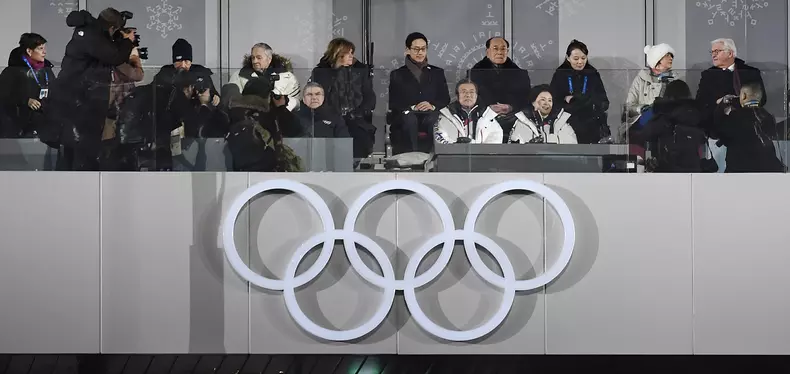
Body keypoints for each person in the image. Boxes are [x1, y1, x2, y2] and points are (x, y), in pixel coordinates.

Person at [44, 8, 136, 170]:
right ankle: (80, 186)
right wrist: (127, 41)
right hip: (81, 103)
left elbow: (107, 53)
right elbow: (114, 57)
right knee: (82, 153)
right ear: (111, 27)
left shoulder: (89, 32)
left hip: (78, 101)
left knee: (75, 152)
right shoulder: (92, 36)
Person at [310, 38, 376, 158]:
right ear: (338, 54)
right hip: (329, 118)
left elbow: (370, 98)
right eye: (348, 53)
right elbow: (317, 98)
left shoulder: (360, 71)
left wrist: (357, 113)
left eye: (352, 53)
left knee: (358, 135)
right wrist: (332, 116)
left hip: (355, 118)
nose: (351, 56)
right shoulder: (321, 72)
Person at [388, 32, 450, 154]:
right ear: (407, 50)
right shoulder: (397, 74)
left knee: (434, 119)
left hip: (429, 115)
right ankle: (413, 157)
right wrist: (412, 107)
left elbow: (445, 98)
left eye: (423, 49)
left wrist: (432, 106)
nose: (420, 52)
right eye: (416, 49)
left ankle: (433, 158)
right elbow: (394, 102)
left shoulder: (437, 72)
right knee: (409, 119)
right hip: (406, 116)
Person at [629, 80, 709, 172]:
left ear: (667, 95)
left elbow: (645, 134)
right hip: (694, 168)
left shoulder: (663, 114)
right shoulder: (696, 115)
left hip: (667, 168)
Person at [225, 77, 302, 172]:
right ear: (266, 96)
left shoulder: (234, 112)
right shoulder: (264, 116)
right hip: (265, 172)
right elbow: (296, 130)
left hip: (239, 172)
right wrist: (281, 108)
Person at [696, 38, 766, 134]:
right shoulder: (708, 75)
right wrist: (718, 102)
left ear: (730, 53)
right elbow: (700, 101)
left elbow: (762, 99)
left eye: (717, 51)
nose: (713, 55)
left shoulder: (750, 72)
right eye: (712, 52)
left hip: (747, 126)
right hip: (718, 127)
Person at [469, 37, 532, 142]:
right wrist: (490, 108)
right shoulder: (474, 72)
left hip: (513, 116)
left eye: (503, 49)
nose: (500, 52)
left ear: (507, 51)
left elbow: (526, 97)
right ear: (487, 51)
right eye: (495, 48)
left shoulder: (520, 73)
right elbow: (473, 97)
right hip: (484, 115)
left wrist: (511, 107)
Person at [712, 82, 784, 173]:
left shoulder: (736, 116)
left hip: (739, 168)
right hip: (766, 168)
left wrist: (722, 106)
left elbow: (718, 131)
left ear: (744, 96)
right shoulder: (767, 116)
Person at [550, 39, 610, 144]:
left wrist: (584, 100)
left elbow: (604, 101)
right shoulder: (560, 74)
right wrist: (567, 100)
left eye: (583, 58)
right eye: (576, 58)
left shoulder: (592, 74)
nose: (580, 62)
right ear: (568, 58)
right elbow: (553, 101)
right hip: (567, 124)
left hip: (590, 123)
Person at [0, 33, 56, 138]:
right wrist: (25, 100)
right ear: (29, 51)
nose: (44, 52)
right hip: (17, 129)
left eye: (44, 48)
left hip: (43, 125)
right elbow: (3, 95)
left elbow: (55, 91)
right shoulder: (12, 71)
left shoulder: (47, 70)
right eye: (40, 48)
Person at [622, 43, 680, 138]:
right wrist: (642, 109)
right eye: (667, 55)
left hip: (667, 128)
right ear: (657, 60)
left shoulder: (676, 80)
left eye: (671, 56)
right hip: (644, 126)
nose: (671, 58)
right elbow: (628, 107)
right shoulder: (641, 79)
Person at [225, 42, 300, 112]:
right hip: (247, 119)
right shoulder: (238, 76)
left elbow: (296, 103)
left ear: (269, 59)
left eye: (259, 58)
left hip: (278, 121)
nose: (254, 61)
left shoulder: (287, 78)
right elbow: (232, 101)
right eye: (253, 58)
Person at [153, 38, 220, 107]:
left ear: (191, 61)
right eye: (179, 61)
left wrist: (215, 98)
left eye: (186, 61)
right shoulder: (165, 73)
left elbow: (213, 93)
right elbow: (152, 92)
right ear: (173, 61)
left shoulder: (201, 73)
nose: (182, 65)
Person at [434, 79, 501, 144]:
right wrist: (457, 147)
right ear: (457, 96)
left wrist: (473, 146)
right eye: (464, 92)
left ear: (476, 95)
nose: (468, 95)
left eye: (471, 92)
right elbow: (438, 137)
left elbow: (495, 142)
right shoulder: (445, 115)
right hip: (452, 154)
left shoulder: (488, 117)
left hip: (480, 155)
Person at [510, 84, 577, 144]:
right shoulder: (523, 121)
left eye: (550, 100)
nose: (546, 103)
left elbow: (572, 148)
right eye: (543, 99)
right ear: (533, 103)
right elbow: (517, 150)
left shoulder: (562, 121)